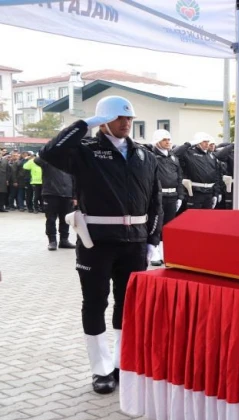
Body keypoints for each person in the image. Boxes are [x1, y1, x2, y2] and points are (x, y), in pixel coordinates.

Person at [39, 95, 162, 394]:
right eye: (119, 118)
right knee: (95, 303)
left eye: (130, 118)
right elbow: (50, 151)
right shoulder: (85, 152)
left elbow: (156, 201)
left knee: (127, 304)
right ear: (103, 120)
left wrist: (152, 240)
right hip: (96, 242)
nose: (126, 123)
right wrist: (85, 124)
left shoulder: (145, 155)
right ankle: (101, 368)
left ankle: (121, 362)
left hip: (134, 242)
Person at [147, 129, 184, 266]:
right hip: (158, 195)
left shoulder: (173, 157)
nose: (168, 142)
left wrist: (180, 195)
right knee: (156, 224)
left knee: (169, 225)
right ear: (157, 141)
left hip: (172, 195)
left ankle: (165, 251)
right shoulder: (151, 156)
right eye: (164, 140)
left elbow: (179, 177)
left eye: (169, 139)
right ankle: (154, 250)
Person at [34, 156, 76, 250]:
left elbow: (74, 180)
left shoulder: (69, 164)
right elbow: (36, 160)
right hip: (50, 194)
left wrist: (75, 196)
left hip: (67, 195)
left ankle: (64, 240)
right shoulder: (47, 162)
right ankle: (52, 241)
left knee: (65, 219)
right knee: (51, 219)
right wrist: (51, 151)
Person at [173, 133, 221, 210]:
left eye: (207, 141)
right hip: (195, 193)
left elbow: (216, 176)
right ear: (198, 143)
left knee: (207, 219)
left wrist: (216, 194)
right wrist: (189, 144)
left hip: (209, 193)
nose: (207, 144)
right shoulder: (190, 153)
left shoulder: (211, 156)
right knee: (193, 219)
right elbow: (175, 153)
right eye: (204, 141)